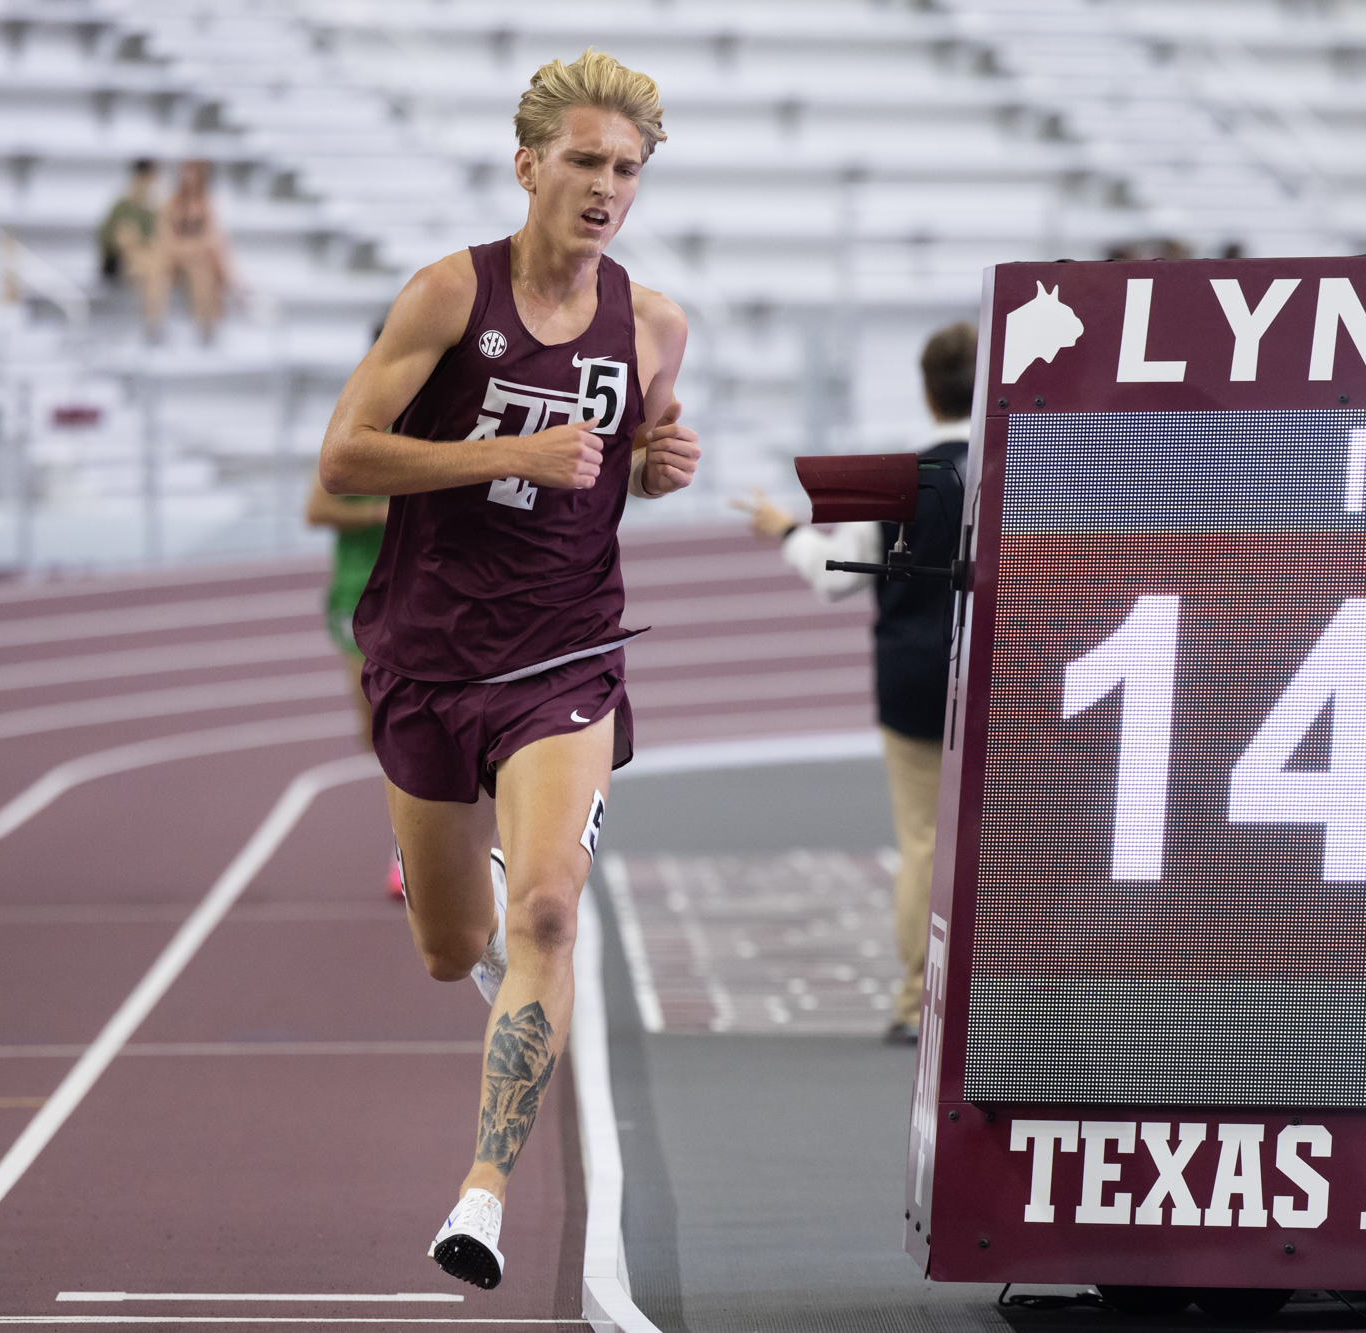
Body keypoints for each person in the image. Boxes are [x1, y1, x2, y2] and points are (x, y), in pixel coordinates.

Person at [315, 48, 699, 1290]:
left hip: (567, 654)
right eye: (583, 160)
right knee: (449, 947)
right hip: (428, 655)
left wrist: (658, 463)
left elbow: (622, 460)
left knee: (546, 911)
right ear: (527, 164)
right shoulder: (444, 296)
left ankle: (480, 1196)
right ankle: (472, 888)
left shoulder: (651, 322)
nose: (603, 186)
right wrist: (506, 453)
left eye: (626, 169)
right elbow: (344, 465)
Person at [734, 321, 974, 1046]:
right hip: (995, 676)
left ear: (927, 393)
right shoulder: (1018, 476)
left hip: (911, 678)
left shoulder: (901, 482)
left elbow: (835, 576)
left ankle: (913, 1003)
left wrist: (783, 529)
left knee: (924, 841)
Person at [304, 415, 397, 897]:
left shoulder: (443, 426)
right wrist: (381, 512)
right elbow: (316, 508)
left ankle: (409, 850)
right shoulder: (352, 430)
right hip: (356, 594)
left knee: (414, 723)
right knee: (376, 729)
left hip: (420, 595)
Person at [143, 159, 236, 343]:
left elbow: (211, 236)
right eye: (187, 172)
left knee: (203, 274)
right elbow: (164, 235)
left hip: (195, 259)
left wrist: (193, 249)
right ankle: (154, 324)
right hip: (174, 258)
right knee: (156, 273)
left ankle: (206, 326)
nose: (190, 178)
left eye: (194, 173)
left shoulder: (207, 204)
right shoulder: (171, 203)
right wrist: (184, 249)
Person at [98, 159, 158, 285]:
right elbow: (108, 238)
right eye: (141, 178)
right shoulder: (121, 207)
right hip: (118, 260)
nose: (144, 183)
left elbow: (156, 240)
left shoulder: (155, 210)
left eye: (147, 179)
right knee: (126, 233)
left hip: (144, 259)